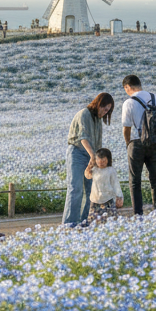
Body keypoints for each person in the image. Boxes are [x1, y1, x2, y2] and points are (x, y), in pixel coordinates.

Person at [121, 75, 156, 215]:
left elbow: (126, 128)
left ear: (128, 87)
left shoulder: (129, 102)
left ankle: (138, 213)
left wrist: (128, 144)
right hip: (155, 143)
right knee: (155, 179)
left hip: (136, 143)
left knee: (135, 181)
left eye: (125, 89)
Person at [64, 92, 115, 226]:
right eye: (104, 108)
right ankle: (69, 223)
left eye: (108, 110)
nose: (105, 112)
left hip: (91, 154)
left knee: (92, 190)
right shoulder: (84, 114)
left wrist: (98, 159)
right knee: (76, 189)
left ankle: (85, 221)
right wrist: (93, 156)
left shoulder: (97, 120)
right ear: (98, 104)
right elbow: (83, 138)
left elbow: (97, 143)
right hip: (77, 153)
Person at [84, 147, 123, 225]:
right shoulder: (94, 170)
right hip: (95, 199)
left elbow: (115, 184)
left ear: (108, 160)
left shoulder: (111, 170)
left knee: (111, 220)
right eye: (98, 161)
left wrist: (119, 196)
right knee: (93, 221)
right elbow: (87, 175)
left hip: (108, 199)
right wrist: (89, 167)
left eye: (103, 161)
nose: (100, 163)